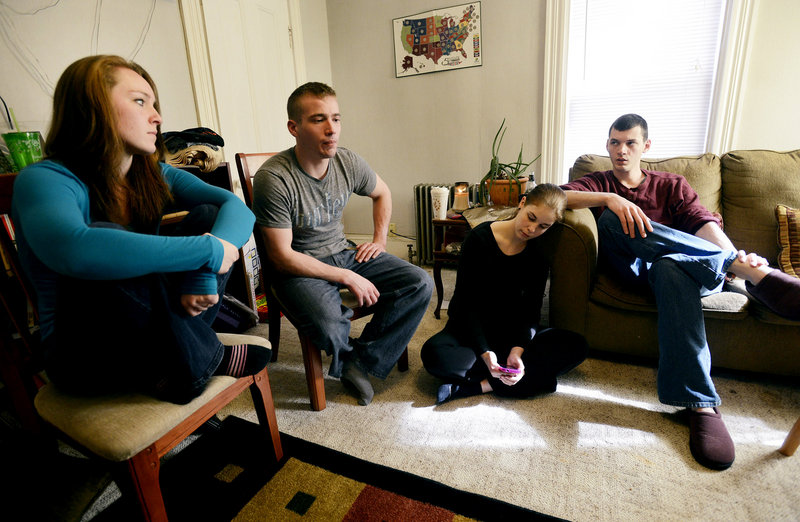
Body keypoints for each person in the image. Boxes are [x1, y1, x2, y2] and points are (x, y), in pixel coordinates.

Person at [11, 55, 270, 405]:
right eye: (139, 101)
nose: (158, 117)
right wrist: (207, 251)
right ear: (93, 107)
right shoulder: (43, 179)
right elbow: (76, 249)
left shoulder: (153, 173)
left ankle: (179, 359)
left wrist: (203, 274)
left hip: (161, 324)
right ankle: (205, 361)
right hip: (85, 354)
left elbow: (236, 207)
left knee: (207, 213)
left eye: (154, 103)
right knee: (109, 244)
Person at [561, 113, 800, 470]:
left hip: (690, 271)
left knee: (672, 265)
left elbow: (702, 223)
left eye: (630, 143)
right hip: (635, 271)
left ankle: (700, 403)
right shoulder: (597, 181)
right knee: (616, 221)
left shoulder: (671, 184)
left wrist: (726, 250)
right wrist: (610, 199)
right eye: (614, 142)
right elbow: (551, 197)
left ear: (646, 146)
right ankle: (748, 274)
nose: (621, 151)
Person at [252, 82, 433, 406]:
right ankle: (356, 357)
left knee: (418, 282)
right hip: (299, 266)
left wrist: (379, 240)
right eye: (319, 119)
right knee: (328, 323)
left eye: (336, 119)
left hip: (344, 252)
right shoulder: (274, 178)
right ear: (294, 127)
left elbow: (383, 192)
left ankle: (359, 362)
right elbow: (280, 257)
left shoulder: (347, 162)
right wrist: (347, 277)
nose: (331, 129)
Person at [421, 184, 588, 404]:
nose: (532, 229)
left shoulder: (538, 255)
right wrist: (485, 353)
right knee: (434, 354)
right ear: (522, 203)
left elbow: (531, 313)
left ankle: (480, 385)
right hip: (470, 332)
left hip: (510, 335)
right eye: (531, 217)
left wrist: (517, 351)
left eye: (543, 226)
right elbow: (464, 305)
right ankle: (533, 381)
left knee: (577, 346)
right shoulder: (479, 238)